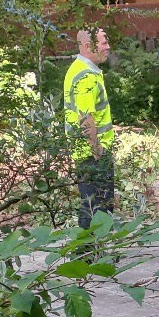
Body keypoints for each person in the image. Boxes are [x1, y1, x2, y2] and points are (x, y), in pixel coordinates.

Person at [64, 28, 115, 228]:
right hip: (92, 154)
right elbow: (86, 118)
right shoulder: (85, 76)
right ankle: (90, 246)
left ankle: (91, 245)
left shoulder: (82, 70)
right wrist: (97, 150)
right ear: (87, 46)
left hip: (88, 152)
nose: (108, 47)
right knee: (97, 210)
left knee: (93, 206)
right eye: (103, 43)